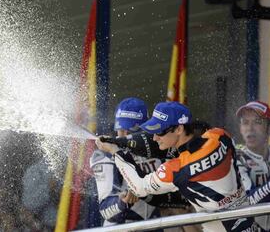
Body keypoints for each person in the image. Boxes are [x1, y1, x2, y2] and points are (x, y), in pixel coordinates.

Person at [96, 101, 255, 232]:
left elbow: (138, 187)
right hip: (251, 226)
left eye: (160, 132)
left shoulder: (176, 169)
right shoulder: (221, 136)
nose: (155, 137)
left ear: (179, 129)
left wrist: (116, 151)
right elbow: (201, 135)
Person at [90, 97, 185, 228]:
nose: (124, 135)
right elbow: (105, 211)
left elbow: (179, 194)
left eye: (132, 131)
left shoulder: (161, 146)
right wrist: (121, 202)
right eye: (121, 130)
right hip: (122, 227)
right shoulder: (105, 155)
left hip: (155, 225)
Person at [235, 101, 270, 231]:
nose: (250, 128)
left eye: (257, 122)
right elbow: (249, 200)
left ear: (268, 128)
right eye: (245, 122)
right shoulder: (236, 157)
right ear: (240, 128)